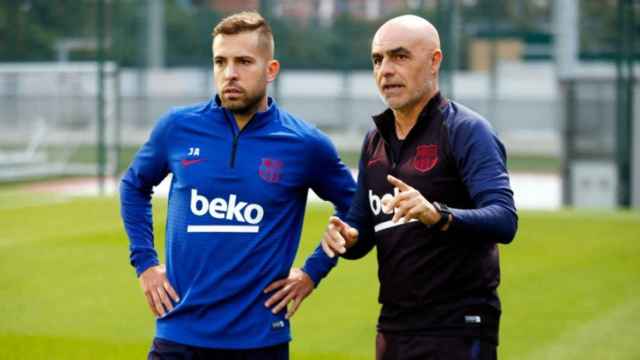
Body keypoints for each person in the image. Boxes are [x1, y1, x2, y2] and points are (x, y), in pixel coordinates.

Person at [120, 11, 355, 360]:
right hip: (178, 335)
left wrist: (313, 271)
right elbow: (133, 185)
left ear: (271, 69)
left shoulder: (305, 144)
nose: (230, 73)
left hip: (259, 342)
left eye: (244, 61)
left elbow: (355, 207)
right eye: (220, 61)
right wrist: (145, 265)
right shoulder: (177, 127)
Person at [321, 15, 518, 360]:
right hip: (393, 329)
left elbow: (504, 219)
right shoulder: (374, 142)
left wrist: (438, 215)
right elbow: (361, 229)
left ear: (434, 62)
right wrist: (345, 238)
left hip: (458, 327)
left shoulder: (467, 130)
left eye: (400, 56)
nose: (386, 70)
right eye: (378, 59)